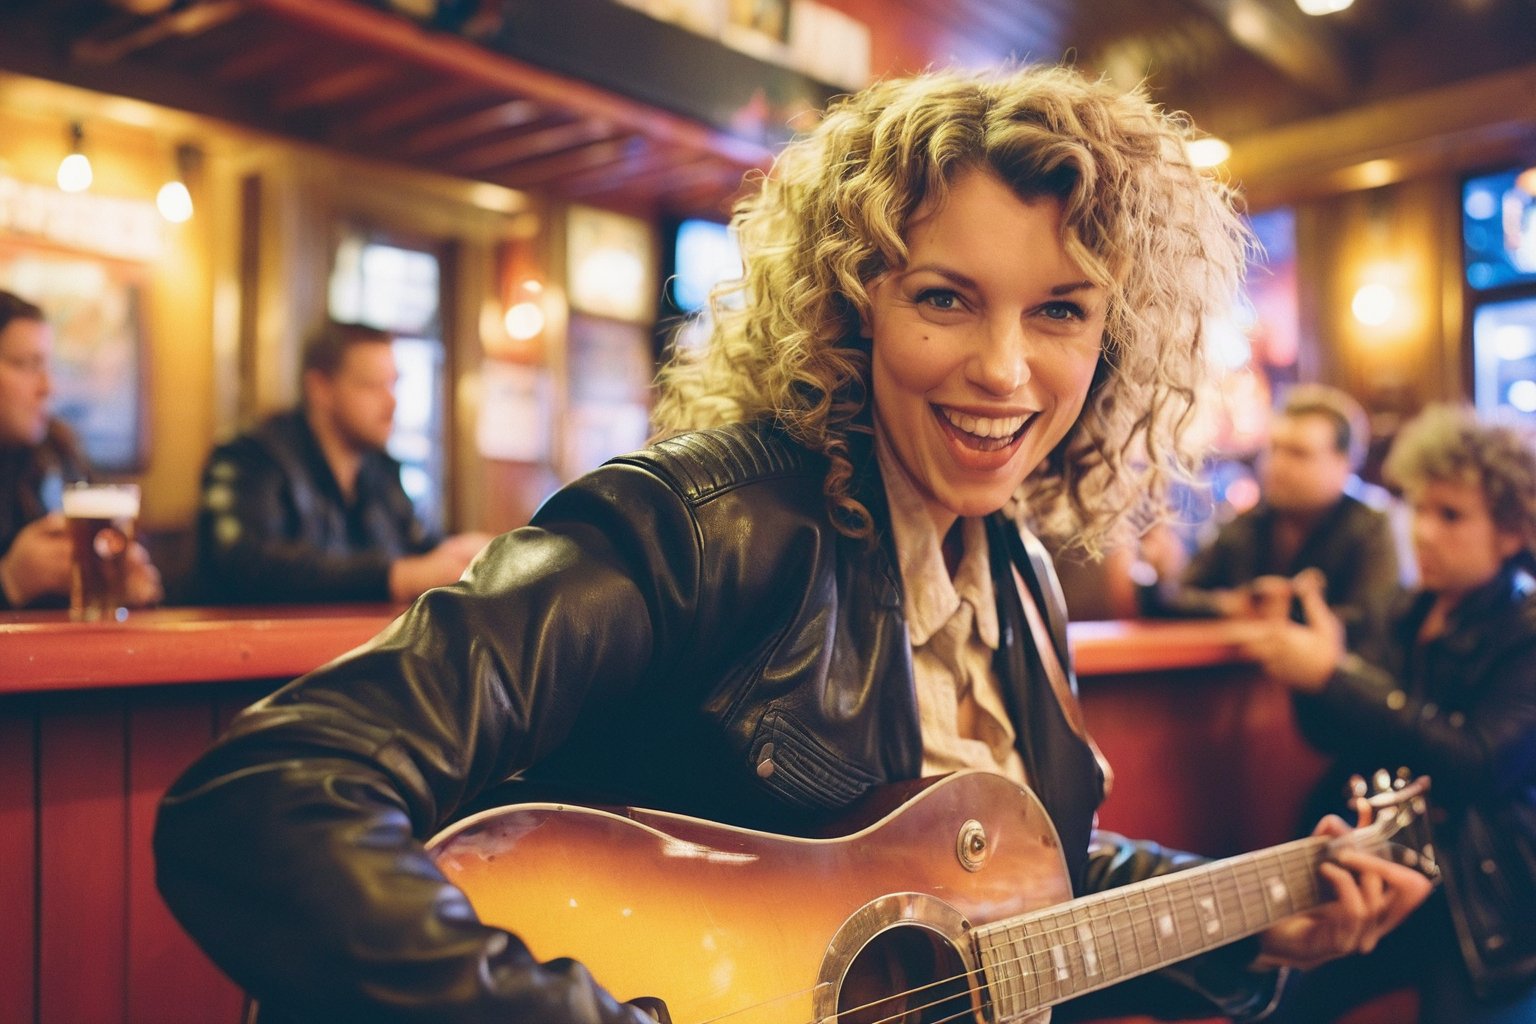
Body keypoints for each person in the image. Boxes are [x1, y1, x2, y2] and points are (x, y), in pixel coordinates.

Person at [154, 65, 1430, 1024]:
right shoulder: (704, 522)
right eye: (944, 297)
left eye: (1058, 311)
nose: (1003, 368)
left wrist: (1264, 915)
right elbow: (268, 797)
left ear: (1116, 341)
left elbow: (1008, 872)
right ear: (853, 304)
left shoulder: (1024, 580)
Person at [1244, 404, 1536, 1024]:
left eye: (1450, 515)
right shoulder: (1403, 609)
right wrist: (1315, 677)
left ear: (1512, 529)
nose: (1423, 531)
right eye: (1419, 507)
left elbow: (1477, 763)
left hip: (1481, 896)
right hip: (1390, 863)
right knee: (1274, 999)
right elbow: (1332, 736)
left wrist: (1334, 677)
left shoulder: (1526, 627)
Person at [194, 321, 491, 604]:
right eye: (372, 386)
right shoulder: (251, 455)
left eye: (393, 384)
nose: (392, 403)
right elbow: (247, 565)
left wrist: (464, 553)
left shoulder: (381, 470)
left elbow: (418, 547)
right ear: (320, 389)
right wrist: (395, 577)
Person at [1137, 383, 1402, 646]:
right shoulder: (1250, 523)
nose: (1278, 465)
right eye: (1274, 449)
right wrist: (1231, 606)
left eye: (1298, 453)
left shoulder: (1371, 527)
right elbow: (1174, 598)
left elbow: (1371, 625)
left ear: (1344, 463)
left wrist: (1283, 612)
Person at [0, 289, 161, 610]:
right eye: (26, 365)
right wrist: (9, 582)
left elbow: (114, 561)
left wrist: (133, 584)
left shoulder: (59, 451)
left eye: (48, 366)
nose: (48, 387)